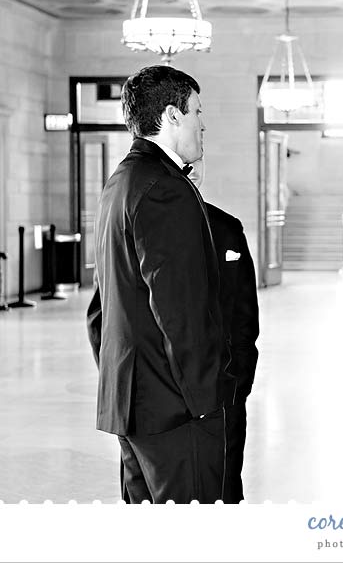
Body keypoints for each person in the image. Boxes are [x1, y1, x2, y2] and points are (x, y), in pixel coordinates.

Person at [86, 65, 226, 504]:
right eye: (196, 111)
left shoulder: (119, 183)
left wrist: (122, 379)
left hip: (131, 404)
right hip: (172, 410)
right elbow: (180, 313)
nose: (202, 123)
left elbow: (99, 309)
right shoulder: (165, 189)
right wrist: (206, 401)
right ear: (170, 116)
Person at [187, 158, 260, 504]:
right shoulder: (137, 224)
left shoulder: (228, 228)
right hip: (163, 401)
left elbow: (247, 316)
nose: (192, 167)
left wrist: (239, 380)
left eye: (197, 159)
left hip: (225, 391)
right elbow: (103, 317)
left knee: (227, 489)